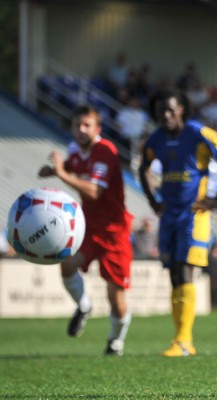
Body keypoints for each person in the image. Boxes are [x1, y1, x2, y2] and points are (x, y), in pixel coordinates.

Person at [138, 89, 217, 357]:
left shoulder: (199, 133)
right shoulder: (156, 139)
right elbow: (143, 167)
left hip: (194, 216)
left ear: (181, 109)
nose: (167, 115)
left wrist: (216, 199)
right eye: (162, 111)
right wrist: (153, 200)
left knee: (184, 271)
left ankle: (184, 340)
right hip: (169, 216)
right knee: (174, 274)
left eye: (172, 110)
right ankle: (180, 340)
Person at [38, 105, 134, 356]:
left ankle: (116, 341)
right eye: (77, 125)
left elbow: (94, 191)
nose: (81, 130)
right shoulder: (76, 151)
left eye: (86, 125)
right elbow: (74, 165)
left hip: (115, 231)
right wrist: (55, 171)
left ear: (97, 129)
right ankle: (84, 306)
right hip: (88, 227)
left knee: (116, 297)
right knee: (66, 264)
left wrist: (60, 173)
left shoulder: (105, 150)